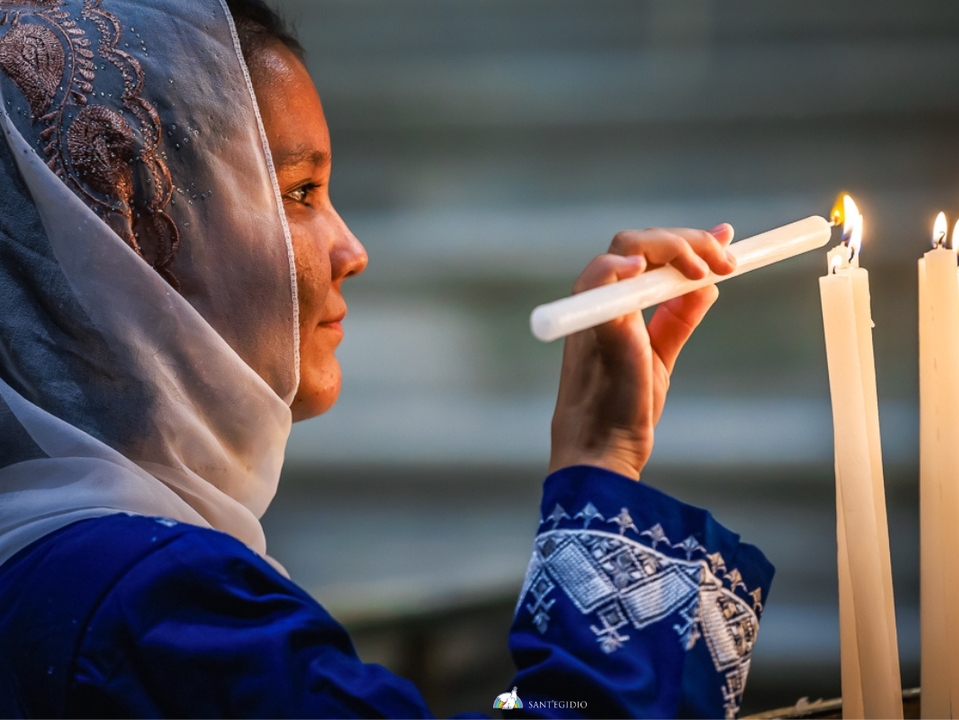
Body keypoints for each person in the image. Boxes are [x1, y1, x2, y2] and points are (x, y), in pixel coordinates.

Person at [0, 1, 774, 717]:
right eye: (300, 193)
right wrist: (603, 461)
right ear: (128, 237)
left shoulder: (54, 560)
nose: (353, 251)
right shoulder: (158, 606)